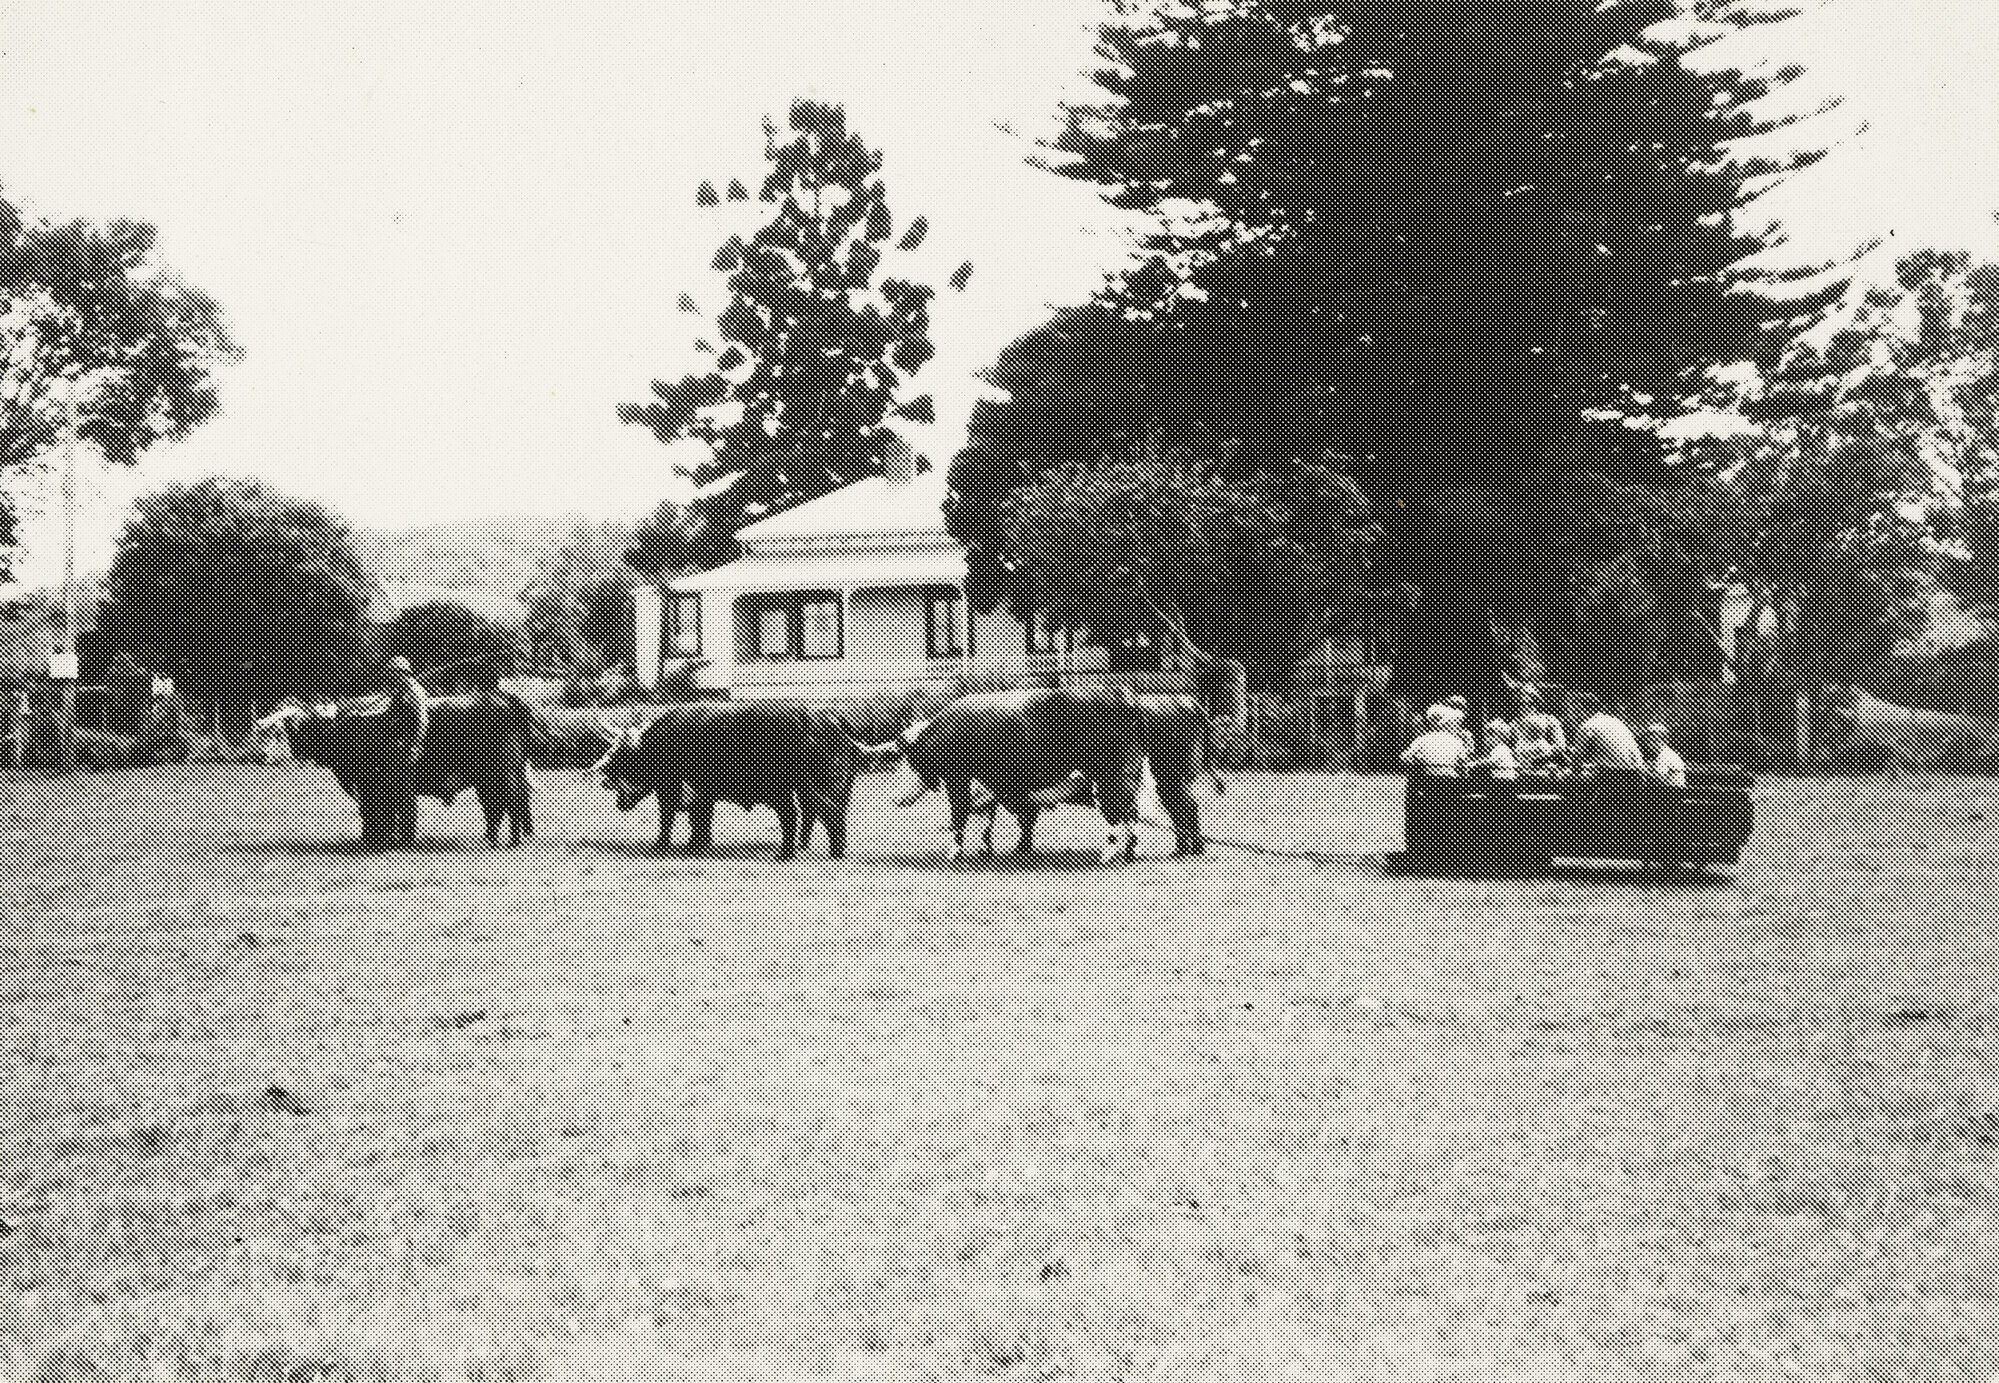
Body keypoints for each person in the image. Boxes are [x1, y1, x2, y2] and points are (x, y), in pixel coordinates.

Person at [1571, 707, 1645, 776]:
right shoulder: (1616, 722)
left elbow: (1577, 760)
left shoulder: (1588, 725)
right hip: (1634, 772)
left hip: (1612, 773)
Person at [1402, 705, 1470, 780]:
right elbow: (1463, 761)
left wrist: (1420, 761)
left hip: (1427, 777)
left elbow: (1405, 758)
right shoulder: (1456, 741)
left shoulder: (1422, 740)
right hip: (1450, 778)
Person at [1511, 685, 1568, 773]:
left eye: (1529, 702)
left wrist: (1541, 755)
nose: (1524, 705)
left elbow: (1560, 746)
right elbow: (1510, 747)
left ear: (1536, 702)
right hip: (1519, 768)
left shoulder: (1550, 720)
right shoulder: (1515, 724)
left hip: (1545, 767)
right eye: (1521, 702)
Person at [385, 654, 429, 766]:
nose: (390, 677)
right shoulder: (399, 689)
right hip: (400, 739)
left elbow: (423, 719)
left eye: (393, 673)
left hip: (412, 740)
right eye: (389, 673)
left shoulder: (414, 692)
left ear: (402, 673)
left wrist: (416, 745)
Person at [1639, 722, 1687, 787]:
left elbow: (1671, 782)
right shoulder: (1652, 755)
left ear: (1663, 739)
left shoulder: (1670, 757)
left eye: (1652, 739)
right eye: (1647, 739)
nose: (1647, 743)